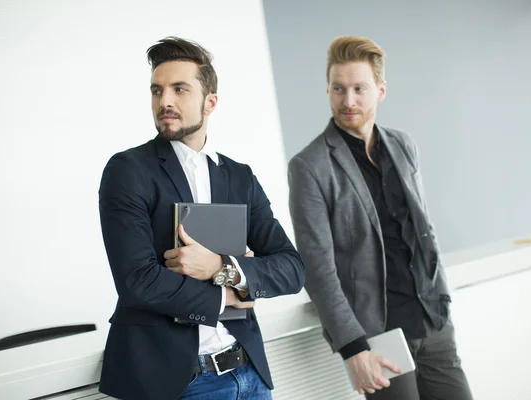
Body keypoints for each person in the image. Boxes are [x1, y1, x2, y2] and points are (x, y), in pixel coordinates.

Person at [98, 36, 305, 400]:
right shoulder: (128, 170)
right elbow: (137, 280)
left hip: (249, 374)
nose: (165, 101)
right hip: (179, 383)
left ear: (210, 102)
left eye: (180, 89)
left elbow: (291, 269)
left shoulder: (240, 177)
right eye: (157, 90)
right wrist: (230, 294)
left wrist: (220, 267)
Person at [287, 36, 473, 399]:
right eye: (338, 89)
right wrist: (354, 348)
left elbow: (424, 231)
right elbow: (318, 268)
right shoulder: (309, 167)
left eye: (359, 88)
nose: (348, 100)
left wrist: (443, 300)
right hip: (379, 337)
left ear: (381, 90)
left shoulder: (403, 145)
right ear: (328, 90)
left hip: (432, 322)